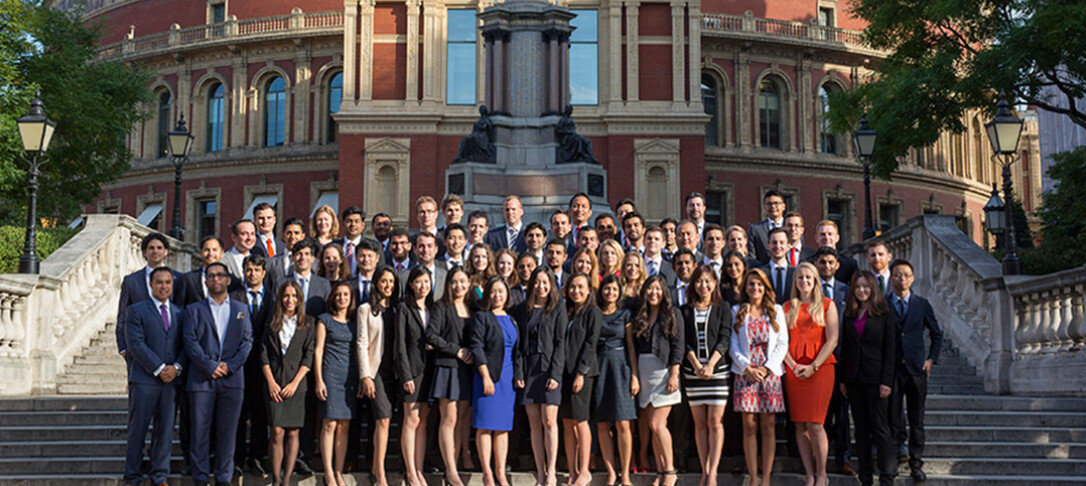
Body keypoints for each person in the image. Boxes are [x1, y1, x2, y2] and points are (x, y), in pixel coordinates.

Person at [182, 262, 254, 486]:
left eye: (220, 275)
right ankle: (201, 477)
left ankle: (224, 477)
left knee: (228, 432)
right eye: (211, 276)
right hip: (202, 380)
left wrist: (230, 366)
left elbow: (247, 342)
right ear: (205, 282)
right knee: (200, 431)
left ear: (228, 280)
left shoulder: (241, 309)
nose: (215, 279)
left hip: (232, 381)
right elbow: (190, 341)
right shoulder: (193, 309)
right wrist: (209, 365)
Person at [123, 267, 185, 486]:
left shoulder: (180, 313)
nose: (164, 286)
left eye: (168, 282)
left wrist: (176, 367)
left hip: (171, 382)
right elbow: (136, 344)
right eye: (159, 282)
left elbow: (185, 346)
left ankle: (159, 475)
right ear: (150, 284)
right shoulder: (136, 310)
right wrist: (160, 368)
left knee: (165, 431)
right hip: (144, 380)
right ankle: (132, 476)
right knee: (138, 430)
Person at [782, 263, 839, 486]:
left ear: (815, 280)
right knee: (799, 424)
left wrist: (814, 366)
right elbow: (781, 341)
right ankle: (809, 474)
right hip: (793, 369)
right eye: (800, 278)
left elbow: (833, 340)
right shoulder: (787, 307)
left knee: (816, 424)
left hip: (821, 369)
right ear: (795, 282)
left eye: (808, 277)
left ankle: (822, 473)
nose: (804, 281)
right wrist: (793, 365)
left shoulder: (827, 305)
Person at [838, 270, 897, 486]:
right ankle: (865, 476)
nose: (862, 290)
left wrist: (886, 381)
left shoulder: (885, 313)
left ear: (873, 288)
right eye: (858, 286)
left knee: (880, 428)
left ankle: (887, 475)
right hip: (854, 379)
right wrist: (844, 379)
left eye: (866, 286)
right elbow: (845, 348)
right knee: (861, 430)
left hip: (876, 378)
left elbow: (890, 349)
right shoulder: (849, 314)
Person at [729, 268, 788, 486]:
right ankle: (753, 478)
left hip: (769, 375)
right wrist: (747, 368)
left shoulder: (776, 310)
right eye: (751, 284)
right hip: (745, 375)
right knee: (749, 427)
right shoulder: (737, 310)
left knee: (768, 426)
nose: (755, 288)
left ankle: (766, 478)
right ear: (745, 287)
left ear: (765, 288)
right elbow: (733, 345)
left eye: (759, 284)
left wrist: (767, 368)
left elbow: (783, 343)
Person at [888, 259, 943, 482]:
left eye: (906, 275)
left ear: (912, 278)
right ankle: (893, 459)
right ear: (891, 277)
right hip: (892, 370)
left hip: (916, 369)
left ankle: (916, 462)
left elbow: (936, 334)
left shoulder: (922, 304)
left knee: (916, 418)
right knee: (892, 417)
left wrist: (931, 359)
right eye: (898, 275)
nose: (902, 279)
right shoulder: (882, 304)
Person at [627, 275, 684, 486]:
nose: (654, 293)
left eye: (658, 289)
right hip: (644, 372)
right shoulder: (640, 315)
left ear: (664, 292)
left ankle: (670, 471)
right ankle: (660, 471)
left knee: (657, 423)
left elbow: (678, 346)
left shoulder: (672, 313)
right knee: (653, 426)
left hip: (664, 372)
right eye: (650, 289)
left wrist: (674, 374)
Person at [512, 268, 566, 486]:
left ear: (551, 284)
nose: (541, 287)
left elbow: (561, 342)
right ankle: (540, 472)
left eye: (545, 282)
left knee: (550, 421)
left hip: (549, 368)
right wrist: (519, 372)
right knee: (535, 424)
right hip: (529, 369)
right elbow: (518, 344)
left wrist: (556, 373)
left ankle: (551, 472)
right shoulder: (522, 309)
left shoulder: (558, 307)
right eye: (537, 282)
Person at [680, 265, 733, 486]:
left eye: (708, 281)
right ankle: (704, 470)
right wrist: (696, 365)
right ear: (693, 284)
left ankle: (713, 472)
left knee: (715, 422)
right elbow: (684, 341)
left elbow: (724, 337)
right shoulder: (684, 310)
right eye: (699, 281)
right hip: (693, 374)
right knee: (700, 424)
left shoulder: (722, 308)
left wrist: (711, 365)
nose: (704, 285)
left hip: (718, 373)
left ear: (715, 284)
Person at [260, 281, 315, 486]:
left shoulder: (308, 323)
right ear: (280, 298)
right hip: (274, 383)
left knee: (293, 431)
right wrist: (271, 383)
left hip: (297, 385)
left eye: (294, 296)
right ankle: (276, 480)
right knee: (276, 431)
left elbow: (308, 357)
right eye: (286, 296)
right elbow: (263, 355)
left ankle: (287, 480)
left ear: (299, 299)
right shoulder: (272, 322)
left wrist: (294, 383)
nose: (290, 300)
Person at [426, 268, 476, 486]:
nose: (459, 286)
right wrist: (456, 350)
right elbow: (431, 335)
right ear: (448, 284)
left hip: (467, 369)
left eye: (463, 281)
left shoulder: (473, 307)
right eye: (454, 282)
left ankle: (456, 462)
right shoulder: (441, 306)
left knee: (462, 420)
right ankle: (451, 470)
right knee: (449, 419)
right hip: (448, 366)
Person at [470, 277, 520, 486]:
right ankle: (487, 474)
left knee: (502, 428)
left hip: (507, 379)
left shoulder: (512, 319)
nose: (497, 295)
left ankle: (500, 472)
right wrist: (485, 376)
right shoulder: (482, 317)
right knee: (485, 426)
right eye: (493, 291)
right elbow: (476, 346)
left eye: (501, 291)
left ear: (507, 294)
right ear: (487, 294)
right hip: (488, 377)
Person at [229, 254, 276, 476]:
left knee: (260, 413)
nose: (252, 274)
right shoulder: (233, 298)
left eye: (257, 270)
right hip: (239, 366)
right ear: (243, 272)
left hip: (265, 366)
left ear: (263, 273)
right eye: (248, 270)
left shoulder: (274, 299)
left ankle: (256, 457)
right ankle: (237, 458)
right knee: (238, 413)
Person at [355, 266, 400, 486]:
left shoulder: (398, 309)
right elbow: (362, 343)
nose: (388, 286)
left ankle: (375, 465)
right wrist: (365, 376)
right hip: (376, 371)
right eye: (384, 281)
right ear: (376, 284)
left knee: (386, 420)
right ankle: (379, 471)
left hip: (397, 372)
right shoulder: (366, 309)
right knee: (383, 419)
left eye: (391, 282)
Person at [811, 246, 853, 476]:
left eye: (830, 262)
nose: (826, 266)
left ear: (837, 265)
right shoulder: (808, 291)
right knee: (820, 415)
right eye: (822, 262)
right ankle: (820, 461)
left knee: (842, 413)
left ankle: (843, 458)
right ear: (816, 263)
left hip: (840, 362)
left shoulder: (847, 292)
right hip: (814, 362)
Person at [594, 276, 637, 486]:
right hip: (599, 368)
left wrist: (635, 376)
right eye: (606, 289)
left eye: (614, 289)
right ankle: (611, 472)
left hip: (621, 368)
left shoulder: (626, 314)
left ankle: (626, 473)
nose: (610, 292)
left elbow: (631, 347)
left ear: (619, 291)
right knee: (602, 423)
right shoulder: (594, 313)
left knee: (623, 423)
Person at [395, 267, 436, 486]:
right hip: (411, 370)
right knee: (411, 420)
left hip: (430, 369)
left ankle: (419, 469)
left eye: (426, 282)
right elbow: (400, 344)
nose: (423, 286)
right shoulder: (404, 307)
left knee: (424, 421)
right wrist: (405, 375)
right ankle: (410, 471)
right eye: (418, 282)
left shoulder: (433, 306)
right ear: (411, 284)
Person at [314, 281, 358, 486]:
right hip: (330, 376)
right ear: (333, 297)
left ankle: (339, 471)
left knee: (344, 425)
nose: (342, 298)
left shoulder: (355, 322)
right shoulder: (324, 320)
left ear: (351, 298)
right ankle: (328, 471)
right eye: (338, 294)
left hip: (350, 377)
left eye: (346, 295)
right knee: (329, 423)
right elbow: (318, 351)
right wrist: (319, 379)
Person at [561, 274, 601, 486]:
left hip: (582, 374)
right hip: (565, 373)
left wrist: (581, 373)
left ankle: (584, 470)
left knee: (581, 421)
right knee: (567, 423)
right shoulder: (567, 312)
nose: (576, 291)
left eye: (580, 287)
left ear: (588, 290)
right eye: (572, 287)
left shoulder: (592, 312)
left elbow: (590, 344)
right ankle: (572, 469)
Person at [118, 233, 184, 358]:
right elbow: (122, 315)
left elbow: (182, 311)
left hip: (171, 347)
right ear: (144, 252)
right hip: (138, 348)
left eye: (159, 248)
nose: (155, 251)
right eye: (151, 248)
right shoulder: (131, 281)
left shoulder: (179, 279)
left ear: (166, 252)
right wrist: (123, 347)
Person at [278, 238, 331, 317]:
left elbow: (328, 313)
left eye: (306, 254)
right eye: (299, 254)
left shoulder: (324, 285)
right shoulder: (281, 283)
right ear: (292, 258)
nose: (303, 257)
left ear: (312, 258)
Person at [183, 236, 241, 306]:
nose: (210, 254)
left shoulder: (234, 282)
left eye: (214, 250)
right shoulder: (188, 279)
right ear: (201, 253)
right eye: (207, 250)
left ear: (222, 253)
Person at [399, 231, 447, 300]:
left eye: (429, 246)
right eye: (421, 246)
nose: (426, 250)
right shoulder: (403, 277)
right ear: (414, 249)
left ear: (436, 249)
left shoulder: (445, 276)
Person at [807, 220, 857, 284]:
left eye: (830, 234)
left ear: (837, 238)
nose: (826, 237)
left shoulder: (849, 264)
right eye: (823, 234)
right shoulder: (808, 264)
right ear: (816, 238)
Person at [747, 190, 787, 264]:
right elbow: (751, 256)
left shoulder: (791, 228)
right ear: (764, 207)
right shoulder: (755, 229)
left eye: (776, 203)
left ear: (783, 206)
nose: (773, 206)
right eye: (769, 204)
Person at [336, 206, 374, 278]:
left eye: (356, 221)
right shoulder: (334, 245)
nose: (353, 224)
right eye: (349, 221)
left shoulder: (373, 246)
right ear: (343, 225)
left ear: (363, 225)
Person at [760, 228, 795, 304]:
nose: (778, 246)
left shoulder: (796, 273)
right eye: (774, 242)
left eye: (782, 242)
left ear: (788, 246)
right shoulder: (760, 273)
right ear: (768, 246)